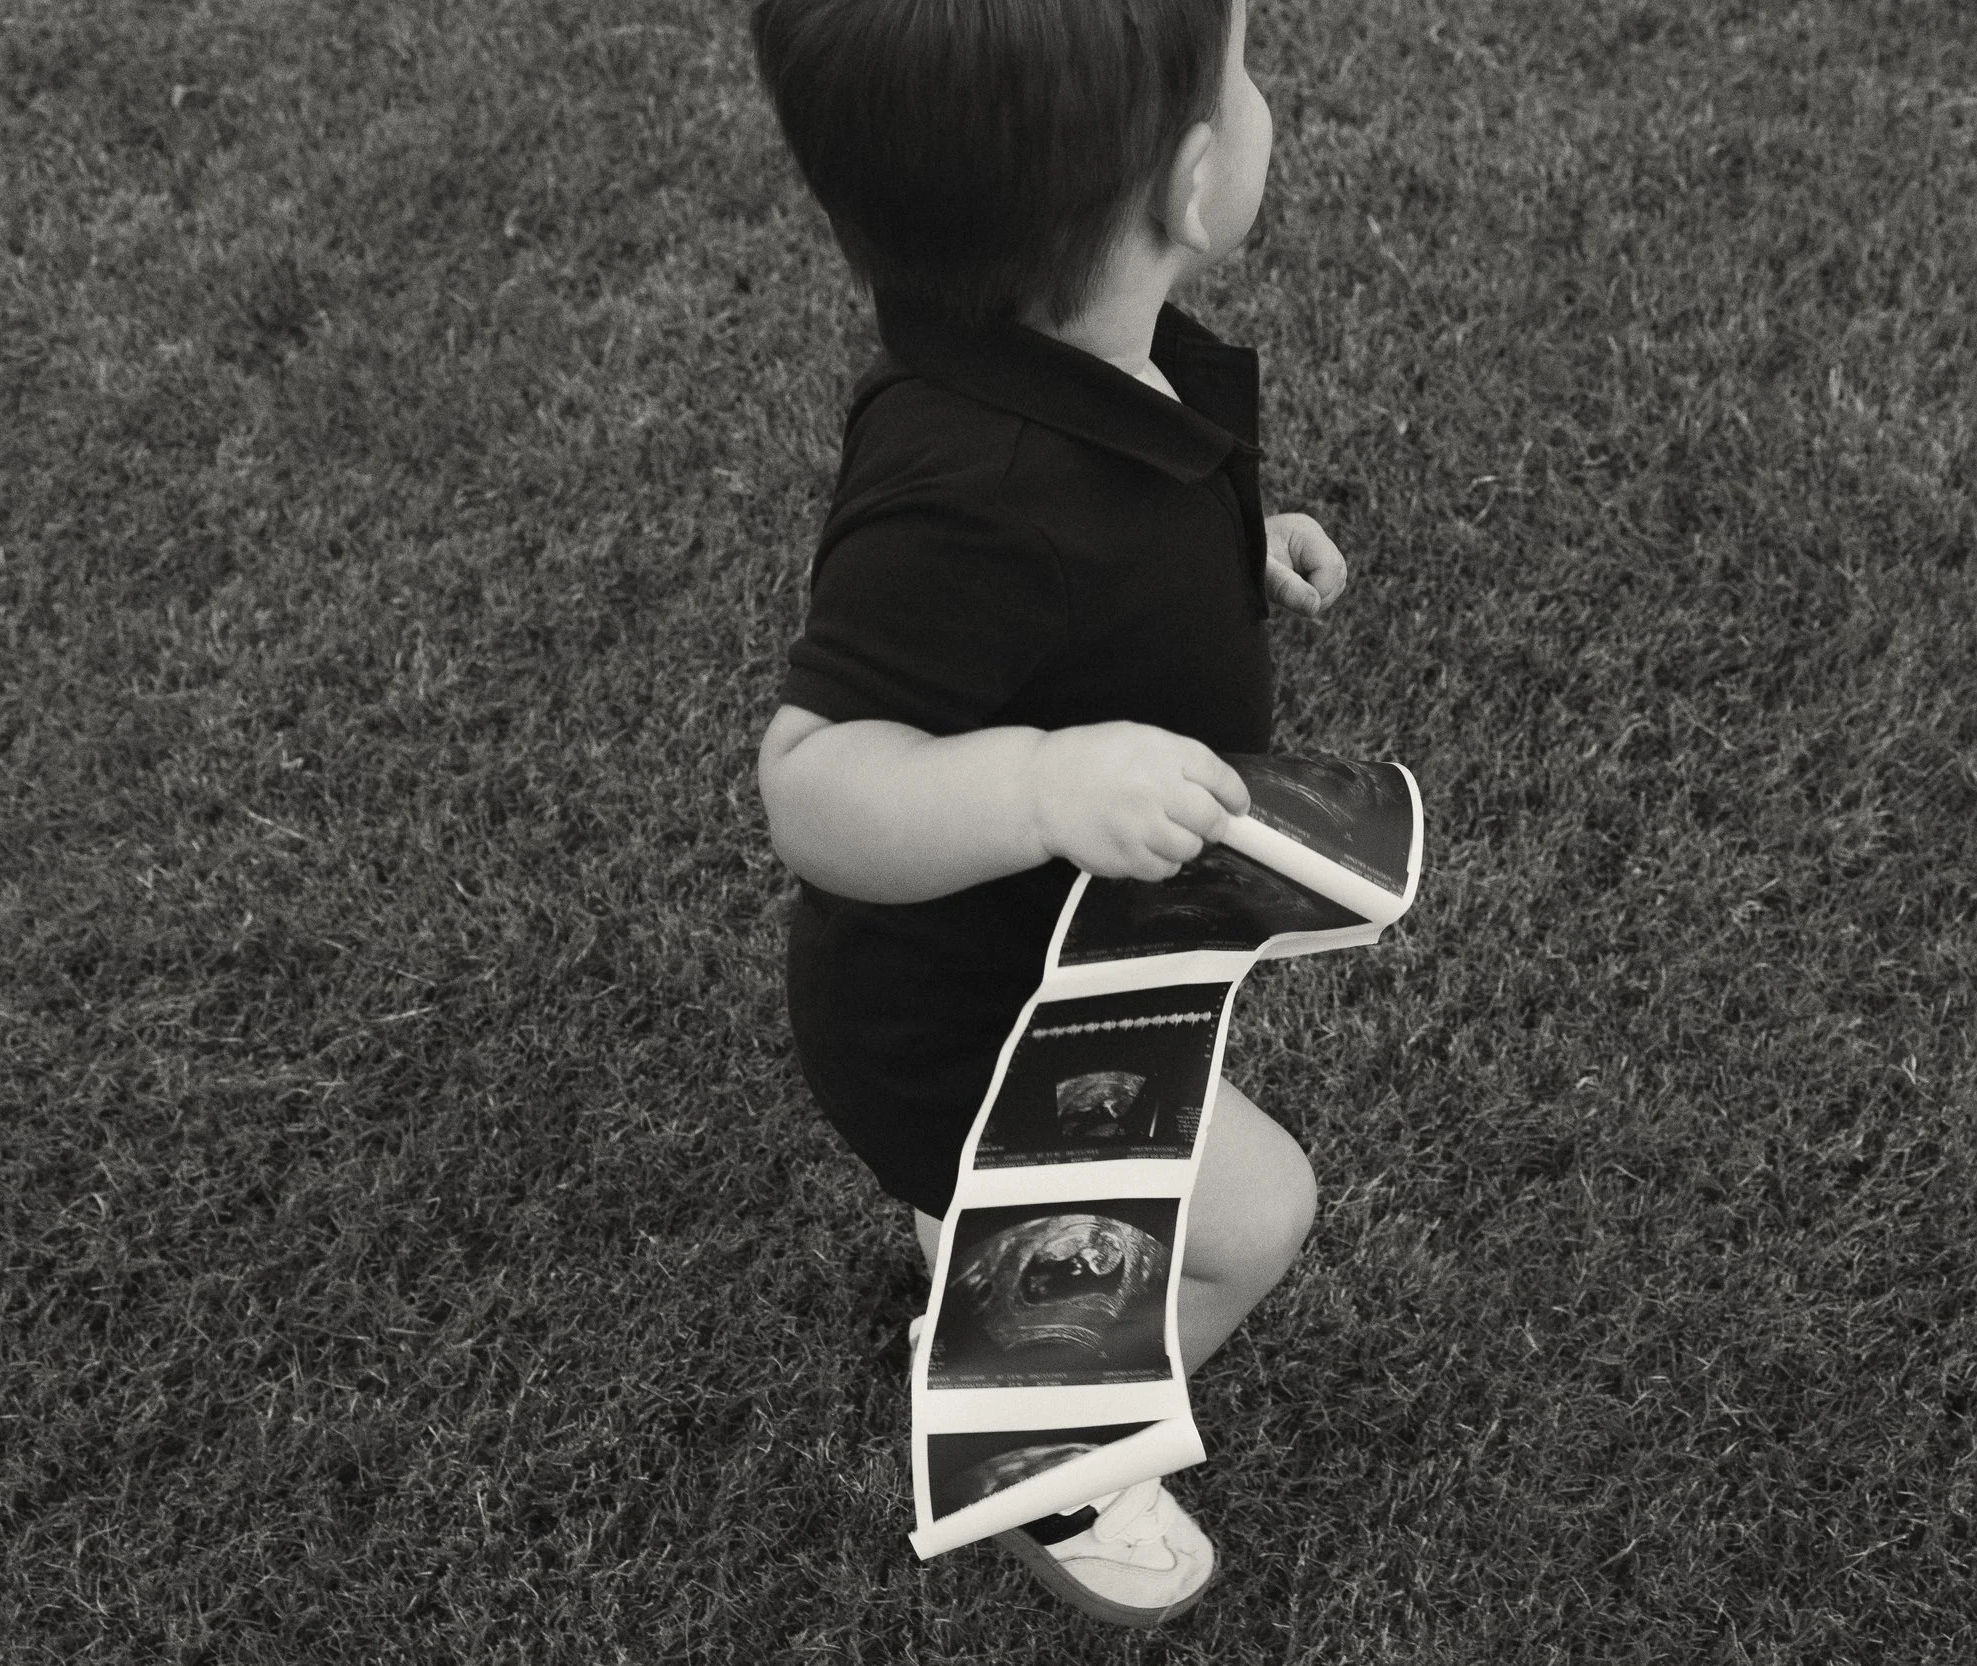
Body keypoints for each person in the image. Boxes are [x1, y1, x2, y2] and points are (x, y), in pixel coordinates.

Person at [751, 0, 1348, 1628]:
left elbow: (1112, 530)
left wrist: (1239, 550)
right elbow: (810, 778)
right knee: (1249, 1217)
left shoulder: (1065, 350)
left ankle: (982, 1261)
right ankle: (1041, 1434)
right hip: (966, 1027)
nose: (1264, 93)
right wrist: (1034, 783)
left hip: (1057, 970)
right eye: (1250, 60)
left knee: (1140, 1205)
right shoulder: (969, 482)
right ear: (1192, 177)